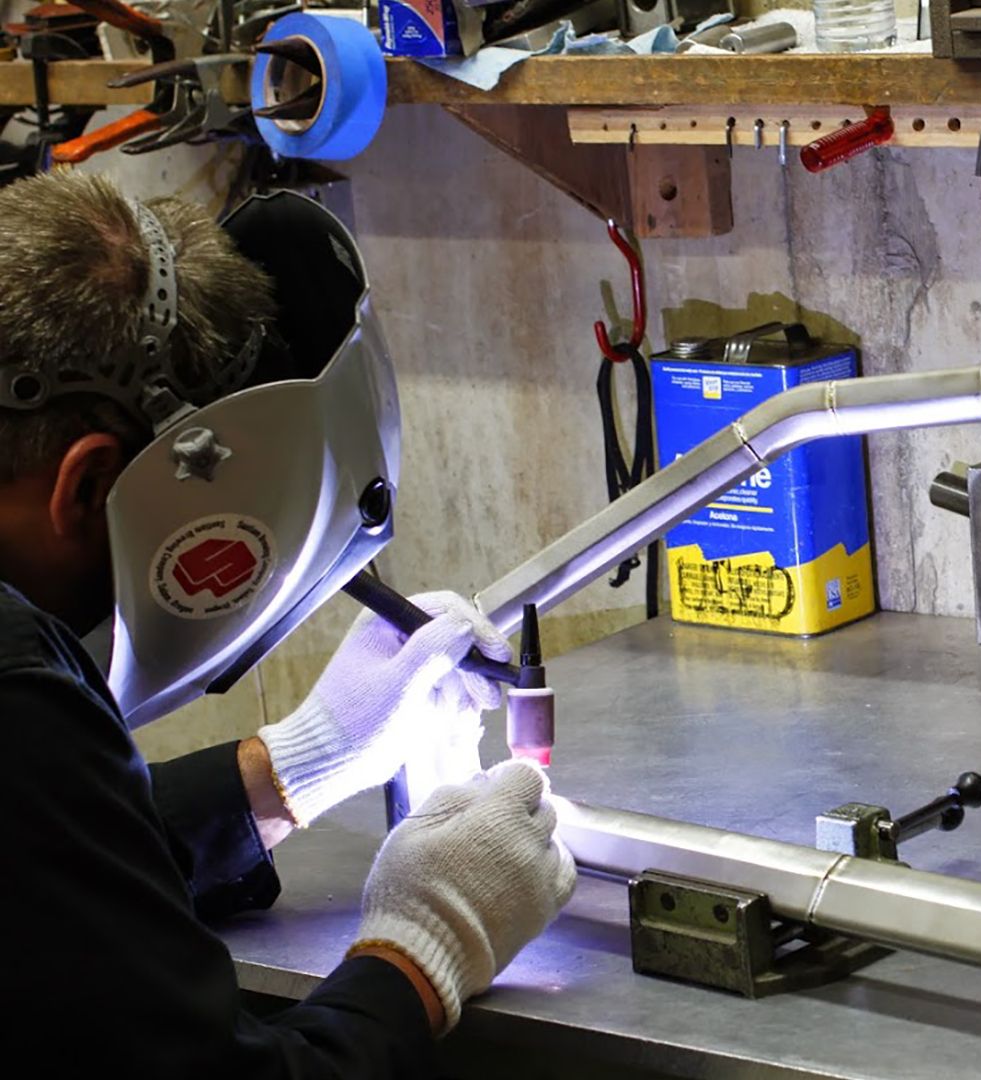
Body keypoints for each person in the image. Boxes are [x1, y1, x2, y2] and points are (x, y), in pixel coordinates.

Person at [0, 171, 575, 1075]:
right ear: (86, 485)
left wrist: (303, 758)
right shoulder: (15, 686)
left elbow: (39, 877)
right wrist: (426, 945)